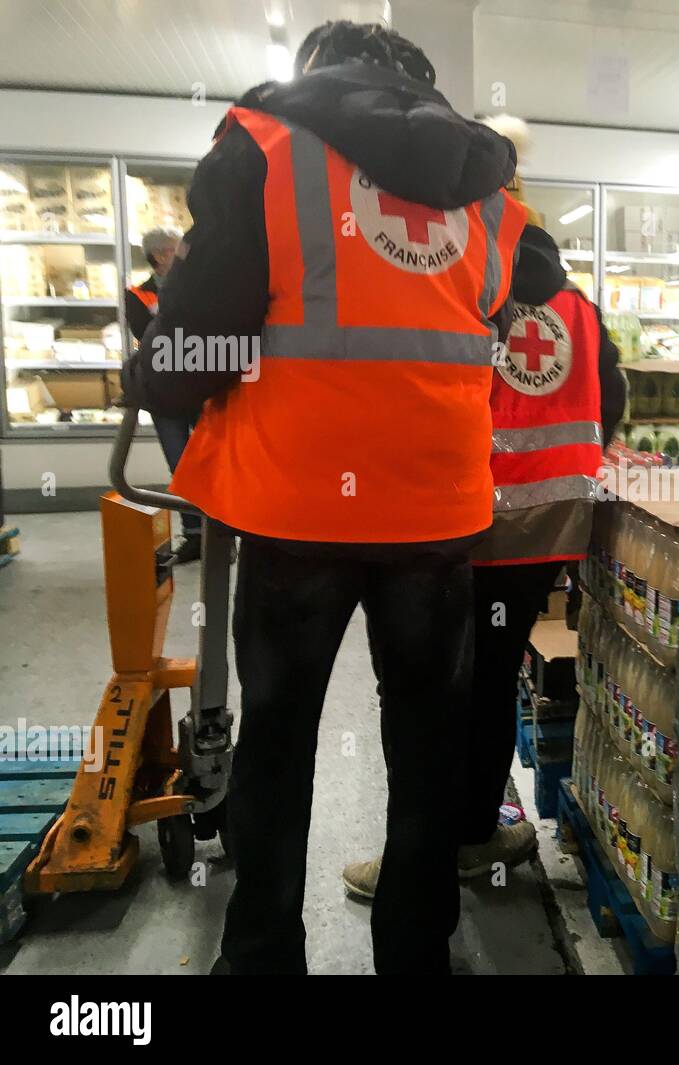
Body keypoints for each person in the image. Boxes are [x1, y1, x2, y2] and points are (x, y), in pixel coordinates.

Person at [121, 19, 527, 975]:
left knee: (279, 737)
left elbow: (196, 336)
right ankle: (415, 953)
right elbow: (494, 313)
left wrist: (160, 385)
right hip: (436, 514)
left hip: (296, 509)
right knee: (427, 742)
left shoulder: (265, 148)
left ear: (318, 75)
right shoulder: (487, 191)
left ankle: (263, 954)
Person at [341, 120, 625, 895]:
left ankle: (421, 859)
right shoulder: (579, 305)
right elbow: (614, 402)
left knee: (429, 691)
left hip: (468, 523)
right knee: (495, 681)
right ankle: (471, 835)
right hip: (553, 523)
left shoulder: (465, 289)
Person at [126, 227, 202, 561]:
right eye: (175, 249)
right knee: (181, 466)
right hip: (164, 394)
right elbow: (148, 337)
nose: (183, 253)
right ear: (159, 256)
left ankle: (221, 533)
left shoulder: (199, 286)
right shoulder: (137, 296)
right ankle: (195, 535)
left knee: (212, 461)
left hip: (202, 389)